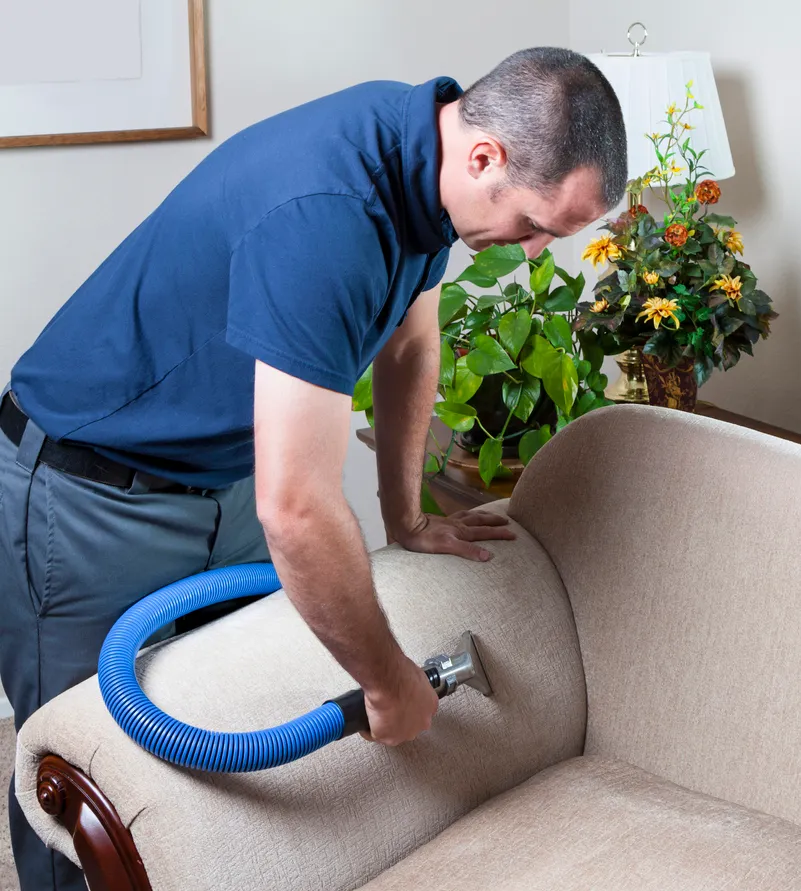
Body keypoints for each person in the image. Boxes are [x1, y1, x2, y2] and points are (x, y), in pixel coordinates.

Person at [0, 46, 627, 890]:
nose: (537, 250)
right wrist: (389, 681)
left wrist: (402, 514)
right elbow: (294, 508)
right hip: (86, 494)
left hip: (217, 479)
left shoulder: (421, 157)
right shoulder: (331, 212)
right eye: (537, 223)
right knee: (84, 786)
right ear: (485, 158)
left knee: (228, 740)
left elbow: (412, 338)